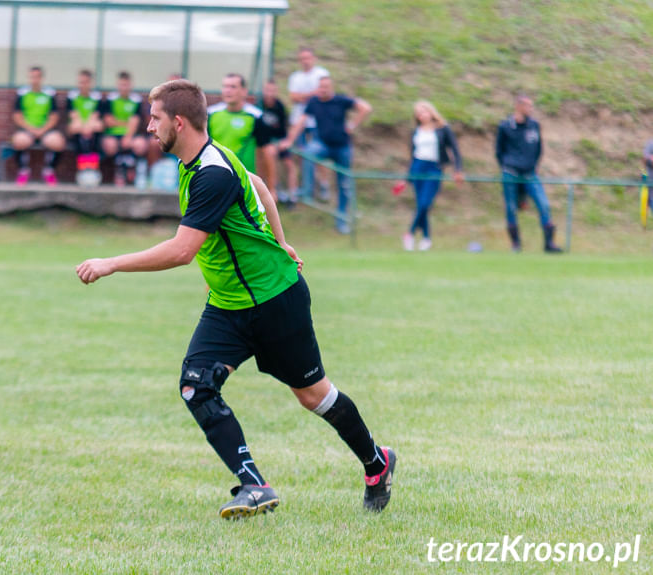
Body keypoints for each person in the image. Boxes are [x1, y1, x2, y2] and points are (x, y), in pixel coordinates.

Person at [76, 79, 395, 519]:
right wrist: (281, 241)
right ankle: (254, 485)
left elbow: (182, 250)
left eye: (155, 118)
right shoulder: (204, 158)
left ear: (179, 121)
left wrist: (112, 262)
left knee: (313, 395)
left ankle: (377, 464)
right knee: (196, 386)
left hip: (274, 300)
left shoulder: (212, 172)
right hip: (228, 304)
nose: (149, 127)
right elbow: (261, 187)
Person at [281, 75, 372, 234]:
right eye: (321, 87)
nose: (323, 90)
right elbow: (301, 122)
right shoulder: (314, 102)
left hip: (342, 147)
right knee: (308, 153)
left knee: (344, 184)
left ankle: (342, 221)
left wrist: (352, 125)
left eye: (326, 87)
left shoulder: (341, 100)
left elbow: (365, 108)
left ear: (331, 88)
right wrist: (289, 140)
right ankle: (308, 191)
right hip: (322, 144)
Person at [495, 94, 562, 253]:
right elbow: (499, 151)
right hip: (510, 173)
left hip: (530, 174)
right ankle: (515, 244)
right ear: (518, 106)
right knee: (511, 208)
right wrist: (506, 165)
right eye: (528, 106)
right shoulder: (505, 127)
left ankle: (549, 243)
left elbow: (538, 148)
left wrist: (534, 164)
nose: (531, 109)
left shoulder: (534, 125)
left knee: (543, 205)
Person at [398, 101, 464, 251]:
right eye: (419, 113)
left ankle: (409, 233)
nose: (422, 115)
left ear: (431, 112)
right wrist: (406, 178)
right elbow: (413, 156)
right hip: (418, 168)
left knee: (425, 204)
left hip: (434, 168)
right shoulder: (416, 132)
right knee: (421, 204)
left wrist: (458, 169)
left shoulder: (442, 129)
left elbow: (454, 149)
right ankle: (426, 239)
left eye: (424, 111)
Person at [287, 47, 331, 202]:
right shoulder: (295, 77)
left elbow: (323, 94)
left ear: (313, 58)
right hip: (298, 121)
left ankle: (324, 184)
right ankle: (306, 187)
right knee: (300, 154)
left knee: (318, 154)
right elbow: (293, 97)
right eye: (302, 58)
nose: (305, 61)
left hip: (317, 122)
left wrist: (304, 96)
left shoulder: (321, 74)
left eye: (308, 57)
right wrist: (312, 95)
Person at [207, 73, 272, 177]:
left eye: (233, 87)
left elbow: (267, 151)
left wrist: (271, 187)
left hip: (245, 180)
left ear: (244, 91)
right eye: (225, 86)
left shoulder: (255, 116)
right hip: (215, 178)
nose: (228, 90)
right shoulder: (210, 114)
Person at [11, 66, 66, 186]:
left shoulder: (49, 94)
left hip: (45, 130)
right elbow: (17, 116)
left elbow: (54, 116)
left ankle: (49, 171)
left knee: (58, 142)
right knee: (18, 141)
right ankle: (23, 171)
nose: (34, 80)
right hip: (27, 129)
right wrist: (31, 129)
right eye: (32, 77)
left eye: (37, 77)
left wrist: (42, 130)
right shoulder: (22, 94)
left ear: (41, 78)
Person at [100, 71, 149, 186]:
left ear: (131, 85)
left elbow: (136, 121)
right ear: (117, 85)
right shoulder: (110, 99)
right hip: (113, 134)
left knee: (140, 144)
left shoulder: (136, 100)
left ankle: (137, 171)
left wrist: (128, 136)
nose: (124, 87)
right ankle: (118, 171)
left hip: (130, 134)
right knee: (110, 144)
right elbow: (108, 121)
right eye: (122, 84)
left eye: (126, 84)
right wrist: (126, 123)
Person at [259, 79, 295, 204]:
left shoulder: (280, 107)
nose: (270, 93)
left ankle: (292, 196)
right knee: (267, 157)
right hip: (262, 144)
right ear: (263, 91)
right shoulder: (259, 105)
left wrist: (284, 142)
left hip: (278, 142)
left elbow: (284, 130)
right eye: (267, 90)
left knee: (289, 164)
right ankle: (271, 190)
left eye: (273, 91)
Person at [66, 69, 104, 185]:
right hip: (78, 127)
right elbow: (73, 115)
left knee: (97, 126)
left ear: (91, 83)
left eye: (86, 82)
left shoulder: (96, 97)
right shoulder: (72, 97)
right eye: (81, 82)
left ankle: (93, 165)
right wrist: (83, 127)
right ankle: (82, 166)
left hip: (91, 126)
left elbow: (96, 116)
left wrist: (88, 127)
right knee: (75, 127)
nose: (83, 85)